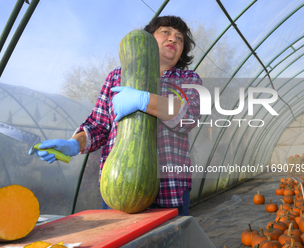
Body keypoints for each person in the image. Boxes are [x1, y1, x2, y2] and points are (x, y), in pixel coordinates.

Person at [33, 15, 202, 216]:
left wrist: (144, 100)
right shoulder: (116, 76)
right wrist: (73, 144)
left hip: (171, 192)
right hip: (119, 185)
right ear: (147, 39)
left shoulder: (188, 79)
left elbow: (189, 116)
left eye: (180, 38)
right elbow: (98, 125)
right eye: (165, 32)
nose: (173, 39)